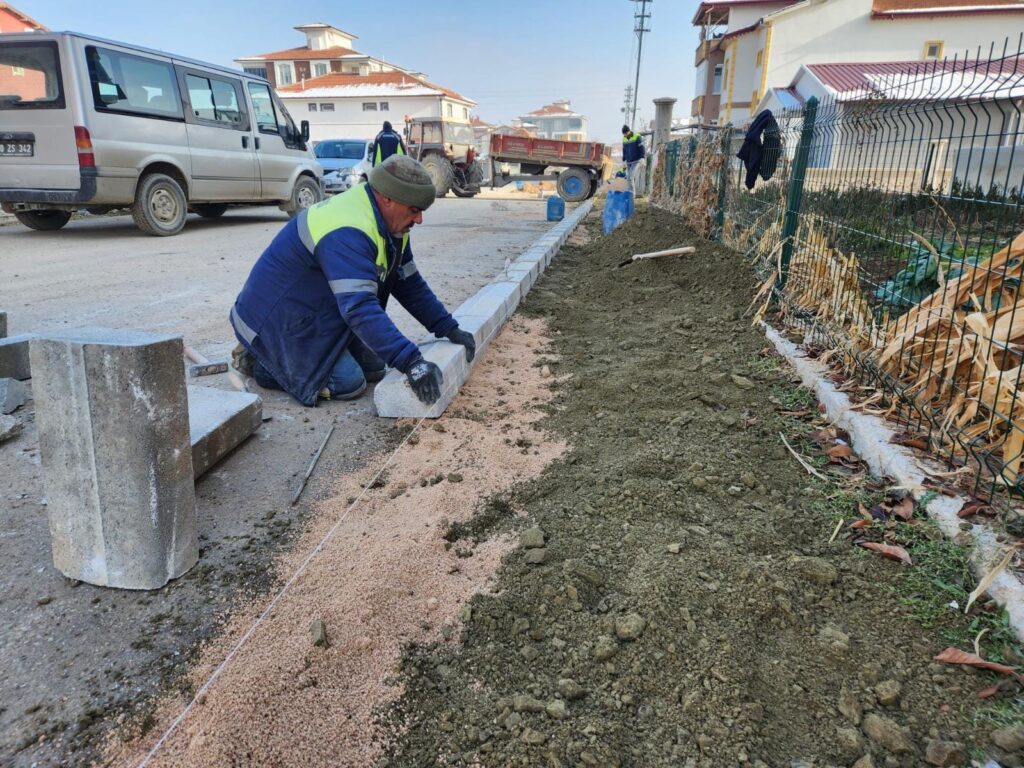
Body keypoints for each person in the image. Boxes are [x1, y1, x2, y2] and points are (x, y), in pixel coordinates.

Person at [229, 154, 476, 407]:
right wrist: (411, 361)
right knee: (350, 383)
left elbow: (408, 283)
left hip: (315, 309)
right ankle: (262, 362)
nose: (419, 219)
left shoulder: (391, 225)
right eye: (414, 210)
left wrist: (448, 327)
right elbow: (359, 307)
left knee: (374, 367)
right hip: (277, 322)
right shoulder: (348, 230)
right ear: (387, 198)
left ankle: (293, 356)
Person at [621, 124, 646, 193]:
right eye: (624, 134)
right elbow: (624, 150)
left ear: (629, 131)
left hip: (636, 161)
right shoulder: (624, 139)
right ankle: (630, 193)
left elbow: (642, 147)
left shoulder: (637, 136)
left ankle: (631, 194)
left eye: (626, 133)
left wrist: (642, 157)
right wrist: (624, 160)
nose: (625, 135)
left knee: (630, 177)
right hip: (629, 162)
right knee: (628, 178)